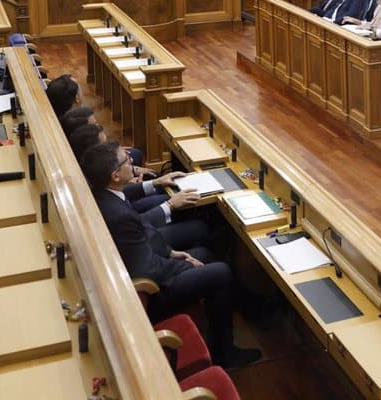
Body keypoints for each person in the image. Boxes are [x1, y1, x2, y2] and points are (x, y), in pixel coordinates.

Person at [82, 141, 261, 368]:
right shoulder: (118, 216)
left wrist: (172, 252)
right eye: (126, 161)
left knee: (205, 252)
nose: (132, 161)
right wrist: (185, 265)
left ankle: (231, 306)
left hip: (142, 260)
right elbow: (148, 269)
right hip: (149, 293)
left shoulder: (104, 194)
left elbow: (142, 237)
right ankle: (224, 353)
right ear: (115, 176)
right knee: (220, 273)